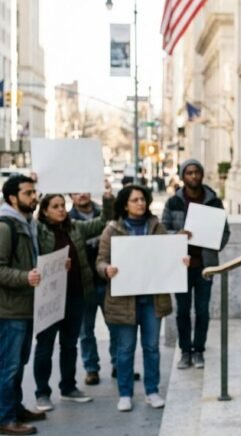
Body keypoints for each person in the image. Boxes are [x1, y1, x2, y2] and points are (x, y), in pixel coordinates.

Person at [96, 185, 183, 412]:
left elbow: (168, 257)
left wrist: (179, 262)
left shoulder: (156, 227)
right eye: (135, 200)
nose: (140, 203)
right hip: (124, 300)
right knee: (125, 349)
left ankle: (152, 391)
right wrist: (107, 270)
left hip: (152, 299)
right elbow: (100, 261)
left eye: (143, 199)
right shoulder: (112, 229)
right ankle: (125, 394)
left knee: (151, 348)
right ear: (125, 204)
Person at [32, 189, 113, 412]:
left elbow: (104, 221)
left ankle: (68, 387)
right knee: (45, 347)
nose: (61, 210)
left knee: (69, 345)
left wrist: (107, 198)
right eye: (55, 206)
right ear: (45, 211)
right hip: (50, 297)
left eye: (62, 205)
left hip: (76, 295)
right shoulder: (38, 231)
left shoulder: (74, 227)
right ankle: (42, 394)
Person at [161, 158, 230, 370]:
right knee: (182, 311)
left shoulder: (213, 201)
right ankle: (185, 352)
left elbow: (225, 232)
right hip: (181, 266)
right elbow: (162, 231)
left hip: (205, 267)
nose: (193, 176)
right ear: (183, 176)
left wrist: (212, 243)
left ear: (201, 174)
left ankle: (199, 350)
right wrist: (177, 235)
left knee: (202, 310)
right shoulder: (173, 202)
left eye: (196, 172)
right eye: (189, 173)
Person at [0, 176, 49, 435]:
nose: (34, 197)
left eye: (34, 191)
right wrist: (25, 277)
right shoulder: (5, 226)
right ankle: (5, 418)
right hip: (9, 310)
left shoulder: (27, 223)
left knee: (18, 364)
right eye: (28, 193)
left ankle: (15, 408)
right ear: (12, 198)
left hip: (26, 306)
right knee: (8, 366)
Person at [73, 191, 138, 385]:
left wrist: (109, 198)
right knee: (86, 331)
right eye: (76, 191)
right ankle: (91, 368)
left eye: (84, 189)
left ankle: (120, 365)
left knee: (116, 327)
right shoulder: (67, 219)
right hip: (85, 285)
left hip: (109, 281)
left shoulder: (106, 214)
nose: (82, 194)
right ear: (70, 195)